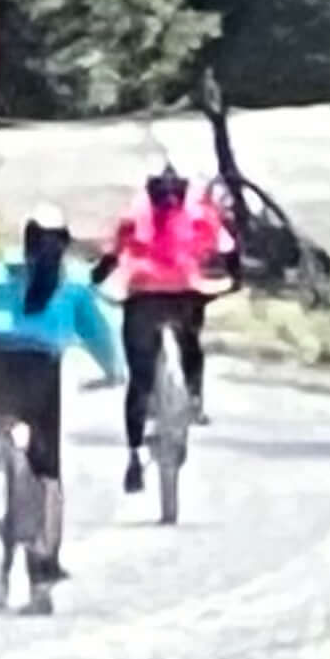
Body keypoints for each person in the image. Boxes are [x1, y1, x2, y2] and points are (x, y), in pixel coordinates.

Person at [0, 204, 125, 606]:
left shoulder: (0, 270)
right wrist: (113, 372)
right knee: (47, 469)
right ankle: (43, 562)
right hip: (39, 367)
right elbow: (98, 336)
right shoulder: (75, 282)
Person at [93, 157, 236, 493]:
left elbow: (113, 256)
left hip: (143, 298)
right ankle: (196, 398)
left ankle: (133, 454)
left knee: (140, 381)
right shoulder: (202, 215)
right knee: (191, 342)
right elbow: (228, 250)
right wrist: (234, 275)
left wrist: (98, 276)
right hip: (186, 294)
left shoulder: (136, 218)